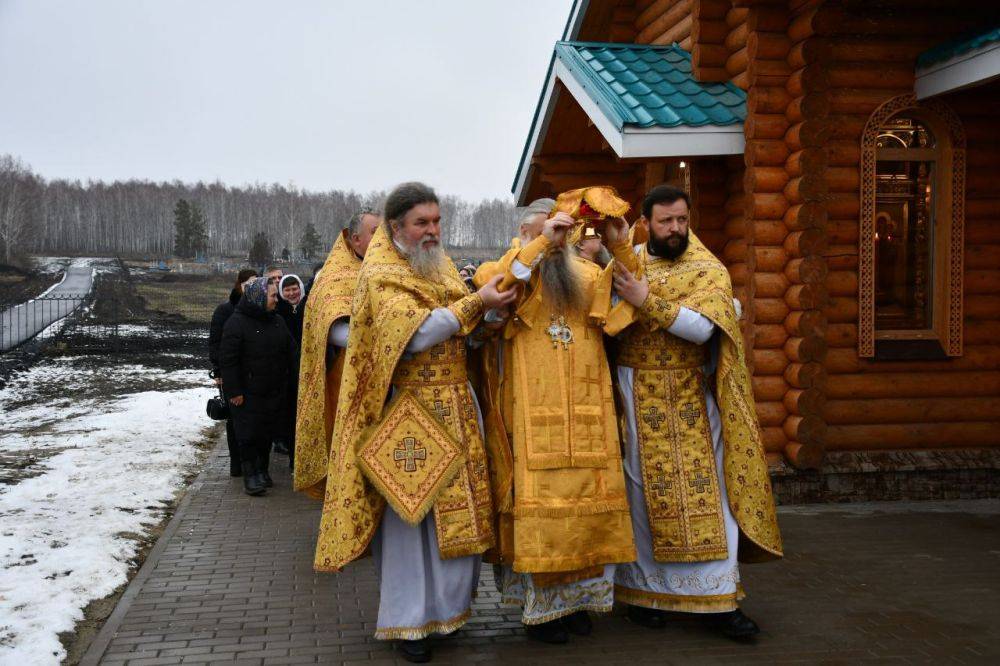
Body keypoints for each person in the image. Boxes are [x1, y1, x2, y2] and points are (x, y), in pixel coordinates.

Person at [313, 182, 516, 663]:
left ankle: (446, 614)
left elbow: (458, 331)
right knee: (410, 521)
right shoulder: (381, 272)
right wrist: (476, 305)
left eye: (436, 221)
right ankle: (408, 624)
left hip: (456, 405)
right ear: (396, 227)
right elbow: (417, 333)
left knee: (459, 518)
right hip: (408, 413)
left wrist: (487, 323)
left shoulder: (440, 265)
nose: (431, 231)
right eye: (421, 223)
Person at [607, 184, 783, 639]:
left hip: (690, 399)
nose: (675, 229)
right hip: (635, 393)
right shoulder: (626, 264)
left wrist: (647, 302)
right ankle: (643, 596)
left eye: (682, 220)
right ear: (646, 223)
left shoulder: (707, 268)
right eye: (666, 221)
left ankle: (719, 600)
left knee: (710, 495)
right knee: (642, 496)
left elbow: (704, 330)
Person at [472, 188, 639, 644]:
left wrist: (620, 244)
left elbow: (630, 303)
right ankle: (542, 611)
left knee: (586, 503)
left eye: (565, 232)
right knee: (542, 506)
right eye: (550, 230)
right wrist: (543, 244)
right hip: (529, 412)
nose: (561, 239)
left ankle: (576, 603)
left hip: (588, 411)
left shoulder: (584, 274)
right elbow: (501, 292)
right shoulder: (503, 268)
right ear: (526, 230)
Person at [295, 207, 381, 499]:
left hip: (380, 380)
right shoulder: (334, 276)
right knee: (349, 457)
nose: (381, 239)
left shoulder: (385, 270)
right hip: (344, 379)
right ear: (355, 240)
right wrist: (375, 337)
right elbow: (330, 329)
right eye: (374, 233)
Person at [219, 276, 297, 496]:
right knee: (248, 435)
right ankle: (250, 476)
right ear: (259, 297)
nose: (276, 299)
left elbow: (291, 351)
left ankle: (262, 471)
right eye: (272, 295)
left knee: (266, 433)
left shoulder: (276, 320)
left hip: (273, 391)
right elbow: (228, 360)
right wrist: (234, 391)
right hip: (246, 393)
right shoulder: (236, 323)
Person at [208, 268, 258, 476]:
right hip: (231, 375)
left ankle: (252, 462)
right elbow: (215, 343)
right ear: (239, 285)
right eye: (248, 285)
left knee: (253, 418)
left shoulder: (259, 309)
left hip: (253, 374)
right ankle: (236, 463)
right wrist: (219, 371)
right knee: (234, 419)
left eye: (255, 285)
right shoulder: (225, 311)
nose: (250, 289)